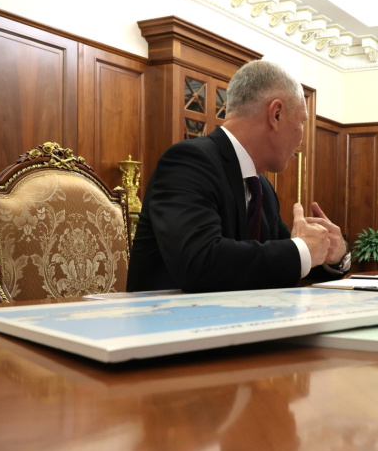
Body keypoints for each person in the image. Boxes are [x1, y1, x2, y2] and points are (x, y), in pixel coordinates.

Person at [127, 60, 350, 293]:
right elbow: (199, 262)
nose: (302, 139)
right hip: (167, 314)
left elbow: (283, 259)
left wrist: (334, 254)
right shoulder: (189, 162)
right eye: (302, 121)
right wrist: (302, 250)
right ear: (276, 114)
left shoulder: (261, 186)